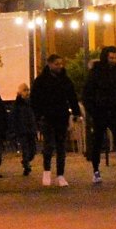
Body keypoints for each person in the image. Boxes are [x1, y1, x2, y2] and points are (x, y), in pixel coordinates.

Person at [30, 53, 83, 187]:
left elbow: (72, 97)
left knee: (61, 146)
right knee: (48, 145)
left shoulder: (65, 80)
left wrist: (76, 112)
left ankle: (60, 175)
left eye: (61, 64)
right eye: (57, 64)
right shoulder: (41, 81)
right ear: (49, 64)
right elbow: (34, 99)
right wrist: (39, 115)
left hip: (61, 117)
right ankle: (47, 171)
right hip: (47, 118)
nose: (60, 66)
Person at [83, 46, 116, 185]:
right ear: (105, 57)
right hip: (100, 112)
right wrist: (93, 111)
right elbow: (87, 92)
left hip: (115, 111)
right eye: (111, 58)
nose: (114, 60)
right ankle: (96, 171)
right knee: (98, 142)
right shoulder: (96, 72)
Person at [8, 82, 38, 177]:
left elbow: (35, 115)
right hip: (22, 131)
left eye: (27, 90)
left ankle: (26, 161)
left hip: (31, 130)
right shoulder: (17, 105)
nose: (27, 92)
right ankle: (26, 166)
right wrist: (14, 131)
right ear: (20, 92)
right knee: (25, 149)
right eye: (25, 90)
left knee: (33, 151)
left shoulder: (31, 103)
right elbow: (13, 118)